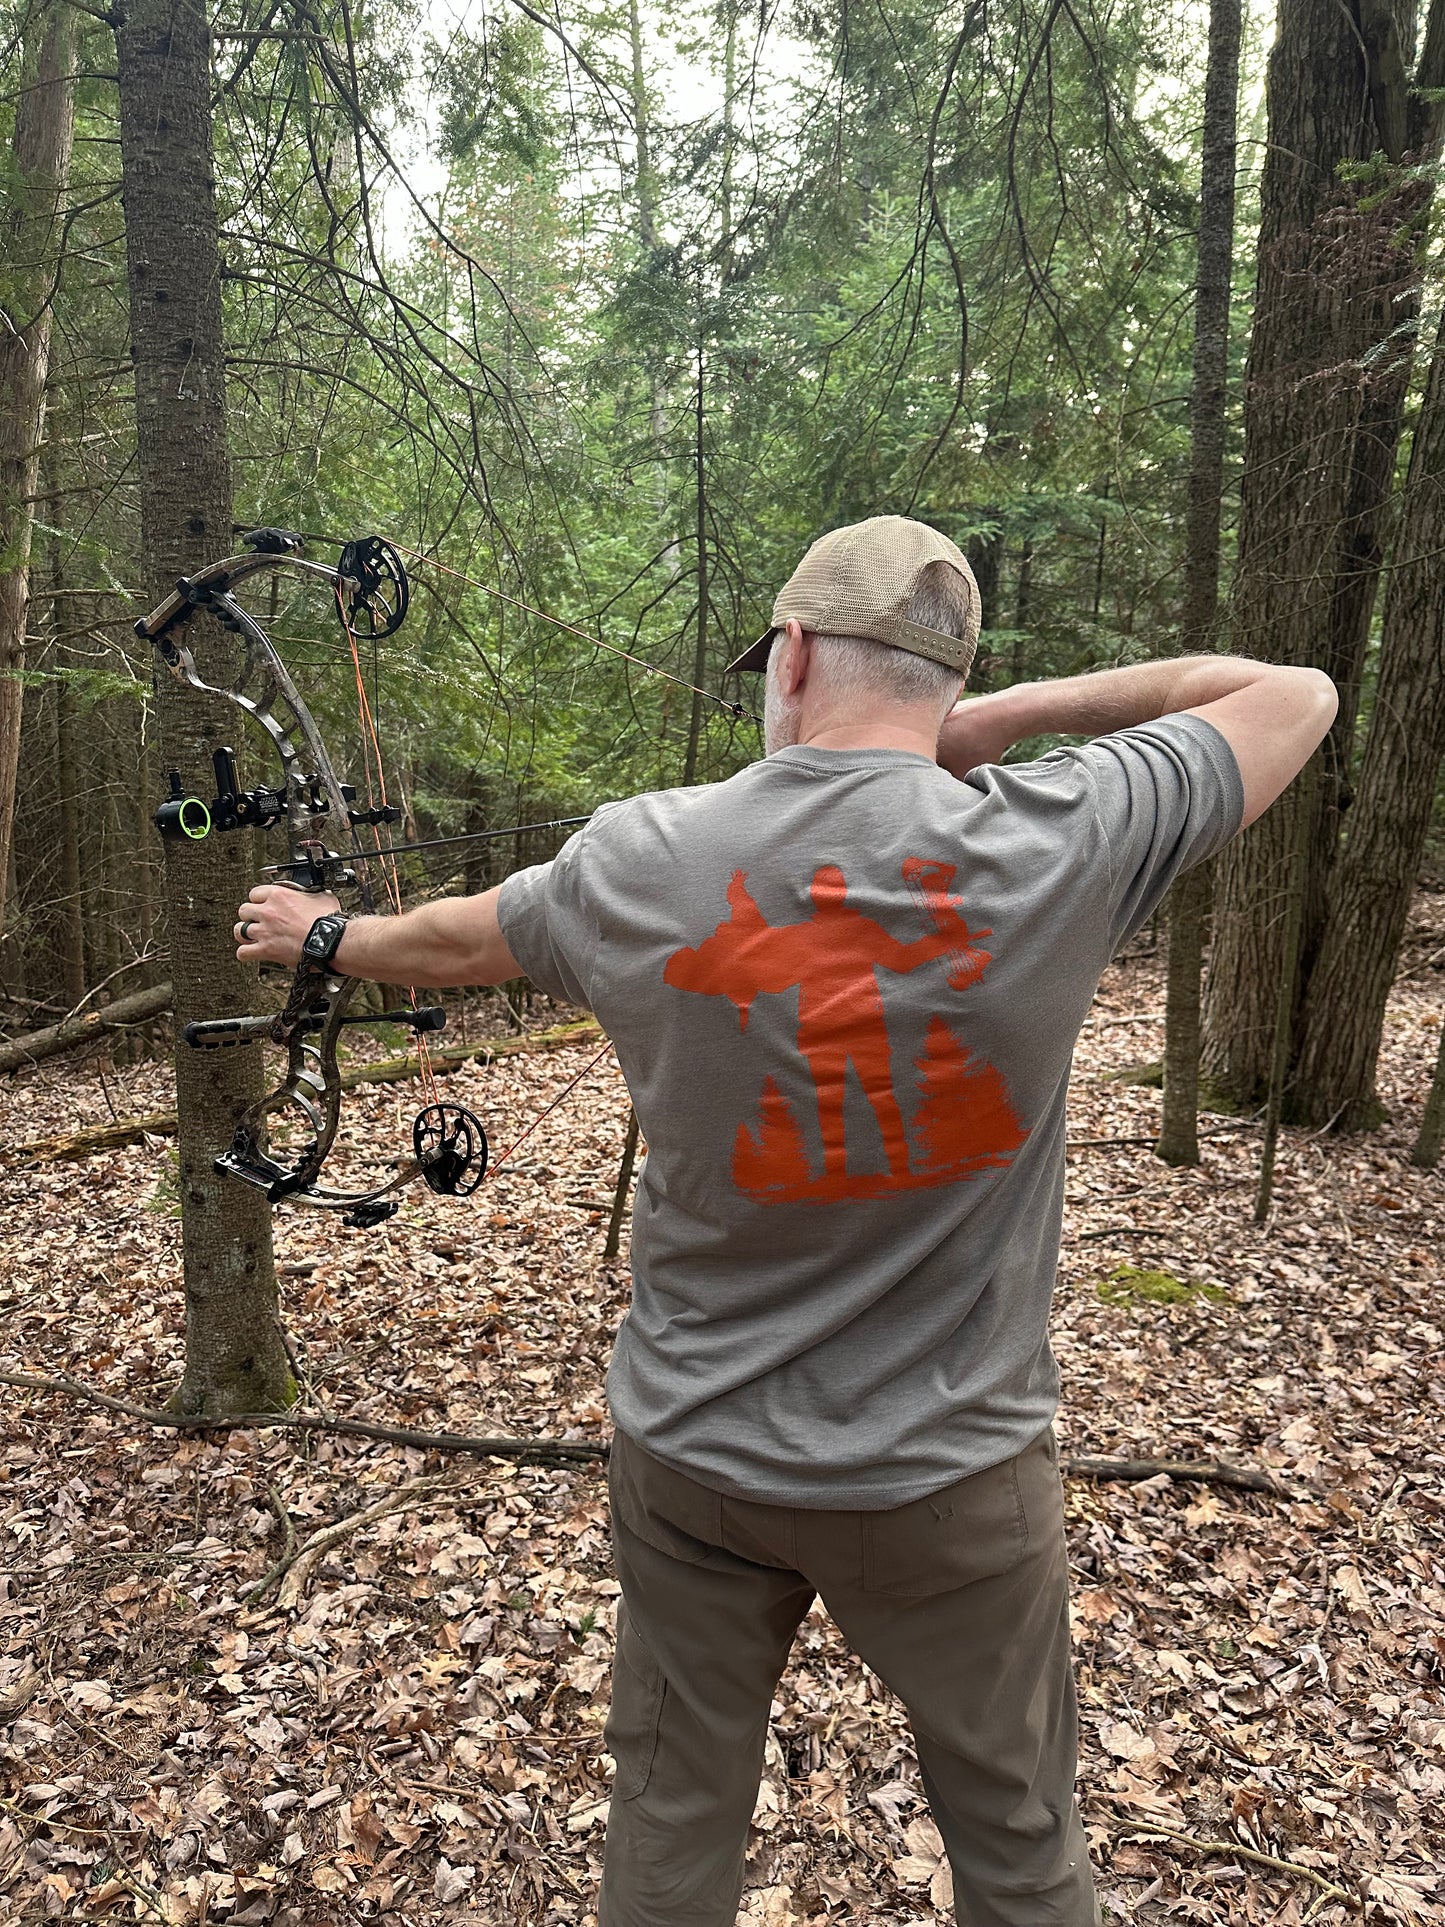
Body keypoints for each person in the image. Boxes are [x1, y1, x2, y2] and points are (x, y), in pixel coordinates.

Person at [234, 515, 1336, 1927]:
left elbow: (453, 942)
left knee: (672, 1822)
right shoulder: (1063, 832)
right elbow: (1290, 693)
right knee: (1016, 1839)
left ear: (795, 653)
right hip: (950, 1477)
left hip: (697, 1458)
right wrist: (978, 717)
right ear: (941, 677)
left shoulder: (644, 854)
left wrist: (323, 935)